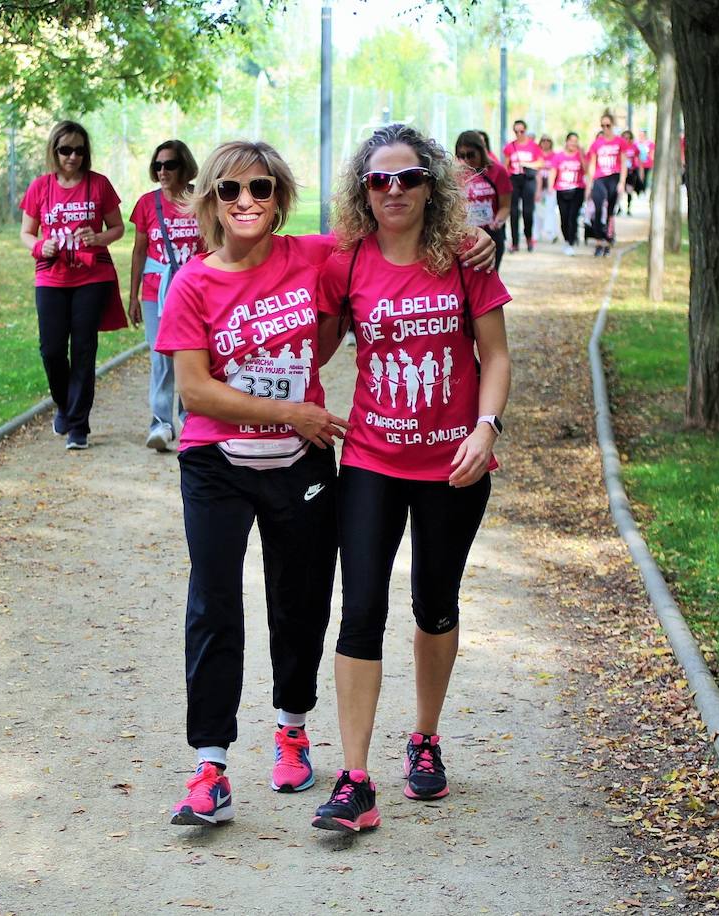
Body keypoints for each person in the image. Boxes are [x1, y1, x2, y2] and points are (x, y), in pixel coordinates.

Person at [156, 140, 498, 829]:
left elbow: (398, 237)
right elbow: (194, 390)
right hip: (244, 459)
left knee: (317, 600)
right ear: (211, 203)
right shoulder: (199, 281)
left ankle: (318, 730)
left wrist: (478, 234)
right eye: (229, 191)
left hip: (317, 460)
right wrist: (288, 407)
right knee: (223, 604)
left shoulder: (321, 255)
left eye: (259, 188)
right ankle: (228, 768)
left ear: (281, 198)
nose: (244, 201)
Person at [310, 123, 511, 833]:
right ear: (363, 191)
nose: (393, 190)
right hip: (370, 460)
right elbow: (318, 339)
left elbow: (496, 356)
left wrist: (486, 430)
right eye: (378, 180)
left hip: (453, 466)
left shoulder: (465, 255)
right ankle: (355, 779)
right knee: (360, 607)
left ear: (432, 183)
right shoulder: (347, 260)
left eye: (407, 177)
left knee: (435, 602)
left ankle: (424, 736)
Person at [19, 120, 127, 450]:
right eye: (66, 150)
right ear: (54, 151)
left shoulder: (99, 185)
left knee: (83, 349)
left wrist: (97, 237)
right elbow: (26, 232)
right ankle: (65, 406)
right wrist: (40, 247)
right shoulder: (41, 187)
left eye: (79, 150)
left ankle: (79, 425)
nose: (73, 156)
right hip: (51, 276)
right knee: (51, 350)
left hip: (91, 278)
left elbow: (118, 228)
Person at [129, 139, 202, 452]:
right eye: (157, 165)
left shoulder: (201, 200)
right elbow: (139, 250)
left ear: (184, 167)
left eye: (170, 165)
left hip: (194, 289)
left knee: (193, 353)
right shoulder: (147, 204)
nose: (162, 171)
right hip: (155, 290)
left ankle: (192, 418)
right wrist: (132, 296)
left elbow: (212, 244)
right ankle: (160, 423)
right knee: (160, 357)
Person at [455, 130, 510, 272]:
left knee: (489, 276)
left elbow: (505, 206)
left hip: (491, 235)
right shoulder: (455, 174)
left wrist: (498, 222)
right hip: (465, 236)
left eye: (470, 155)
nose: (466, 160)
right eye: (461, 156)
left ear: (481, 151)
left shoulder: (498, 171)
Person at [584, 112, 628, 257]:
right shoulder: (597, 143)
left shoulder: (620, 142)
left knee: (610, 212)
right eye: (602, 126)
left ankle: (608, 241)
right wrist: (590, 183)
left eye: (608, 125)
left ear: (613, 126)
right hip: (600, 178)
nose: (605, 128)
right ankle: (598, 241)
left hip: (614, 178)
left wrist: (622, 182)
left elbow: (623, 164)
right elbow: (592, 164)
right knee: (598, 207)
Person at [503, 119, 545, 252]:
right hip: (514, 179)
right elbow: (506, 165)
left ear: (525, 131)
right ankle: (515, 243)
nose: (519, 134)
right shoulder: (510, 147)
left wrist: (528, 165)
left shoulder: (533, 146)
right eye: (516, 131)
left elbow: (540, 163)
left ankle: (528, 238)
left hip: (528, 179)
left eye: (521, 131)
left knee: (528, 212)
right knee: (514, 212)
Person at [548, 131, 586, 257]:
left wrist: (581, 155)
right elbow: (553, 171)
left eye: (576, 141)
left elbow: (586, 170)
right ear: (567, 141)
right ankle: (566, 240)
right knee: (564, 217)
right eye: (571, 141)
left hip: (577, 189)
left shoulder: (580, 155)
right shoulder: (559, 156)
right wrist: (550, 186)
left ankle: (570, 242)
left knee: (572, 217)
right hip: (562, 190)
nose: (573, 144)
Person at [533, 136, 560, 245]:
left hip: (551, 186)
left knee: (550, 209)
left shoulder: (555, 156)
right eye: (543, 140)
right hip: (538, 186)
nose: (545, 143)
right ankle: (535, 233)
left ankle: (551, 233)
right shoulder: (537, 155)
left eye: (548, 140)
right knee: (537, 211)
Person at [621, 129, 644, 215]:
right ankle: (619, 207)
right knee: (620, 189)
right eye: (624, 138)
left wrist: (641, 172)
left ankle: (628, 207)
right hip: (621, 171)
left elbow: (639, 160)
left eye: (628, 138)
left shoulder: (634, 147)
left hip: (631, 172)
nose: (626, 140)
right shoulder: (620, 147)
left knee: (629, 190)